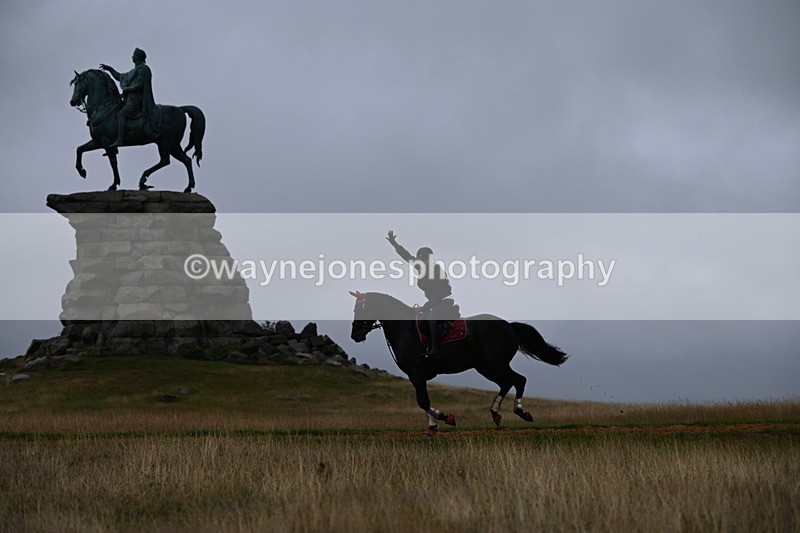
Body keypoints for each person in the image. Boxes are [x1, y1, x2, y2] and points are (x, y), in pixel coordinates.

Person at [386, 230, 458, 359]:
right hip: (434, 302)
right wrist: (394, 244)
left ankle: (436, 350)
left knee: (432, 319)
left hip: (444, 300)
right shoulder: (420, 267)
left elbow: (438, 294)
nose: (423, 262)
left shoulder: (437, 270)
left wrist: (425, 307)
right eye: (421, 259)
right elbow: (406, 256)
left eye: (425, 259)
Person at [100, 47, 161, 147]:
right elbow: (120, 77)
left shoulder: (143, 69)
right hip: (130, 100)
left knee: (122, 114)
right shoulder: (133, 71)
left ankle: (120, 139)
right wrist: (110, 69)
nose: (132, 56)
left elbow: (140, 85)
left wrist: (127, 89)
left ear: (137, 57)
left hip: (137, 100)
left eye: (133, 55)